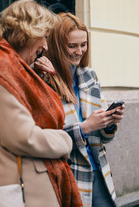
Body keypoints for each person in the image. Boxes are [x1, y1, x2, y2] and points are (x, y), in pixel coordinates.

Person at [0, 0, 83, 207]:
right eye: (44, 37)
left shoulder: (12, 68)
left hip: (25, 186)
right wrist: (65, 140)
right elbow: (22, 137)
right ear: (28, 32)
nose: (45, 46)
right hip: (15, 190)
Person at [35, 12, 125, 207]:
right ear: (58, 45)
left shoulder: (89, 75)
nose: (79, 51)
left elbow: (102, 138)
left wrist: (109, 124)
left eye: (83, 44)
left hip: (99, 172)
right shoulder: (45, 78)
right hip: (69, 175)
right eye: (72, 45)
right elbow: (44, 138)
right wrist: (85, 127)